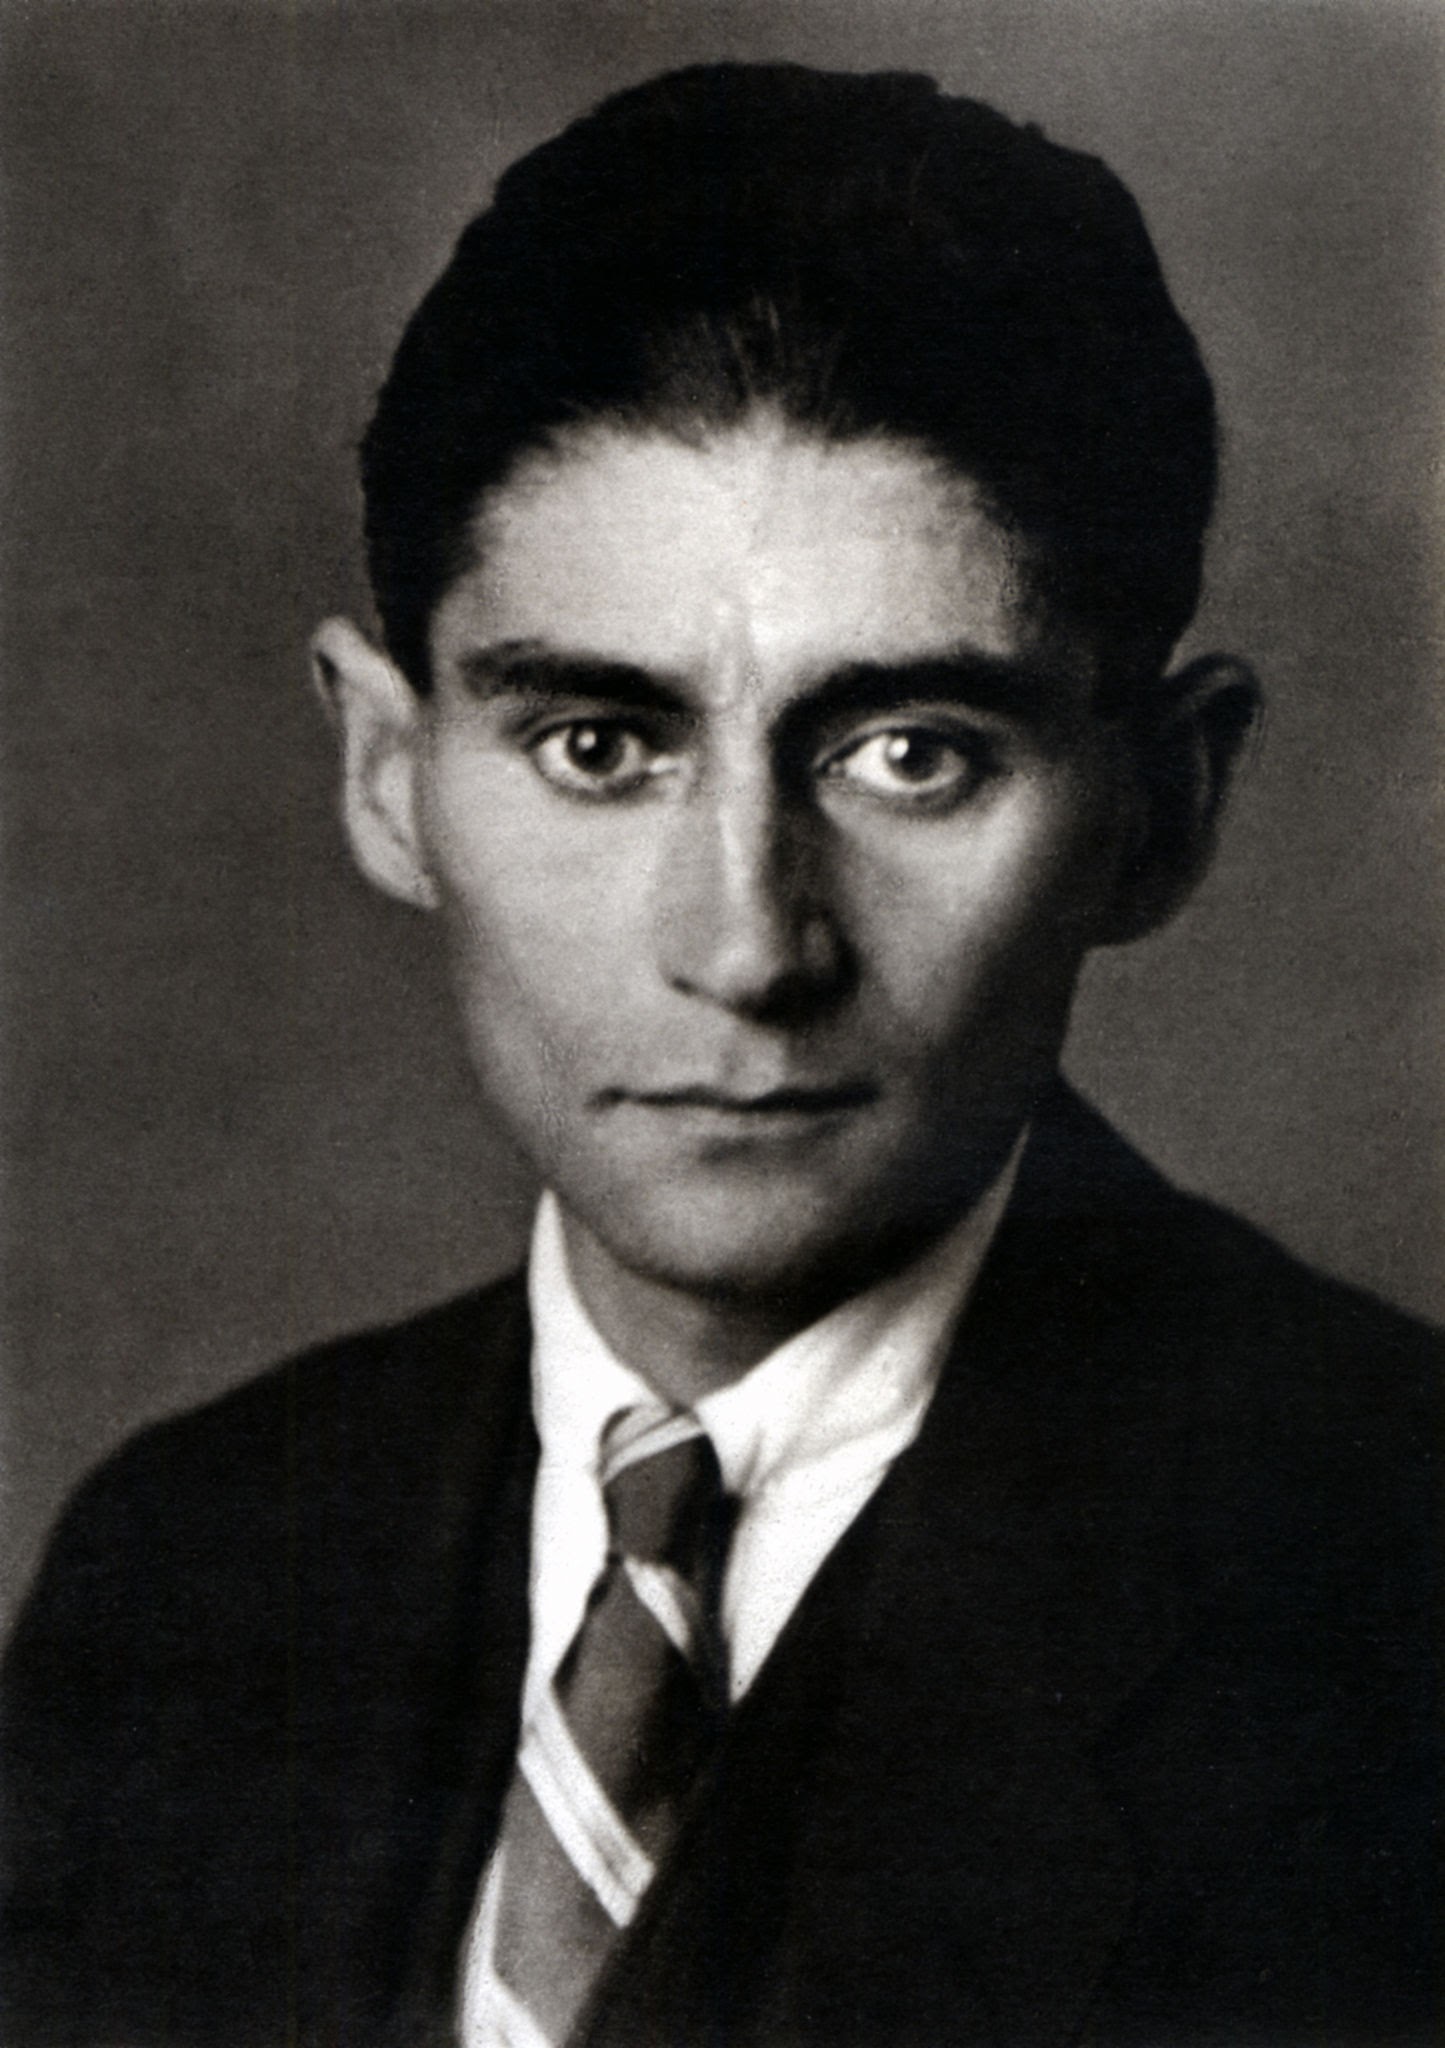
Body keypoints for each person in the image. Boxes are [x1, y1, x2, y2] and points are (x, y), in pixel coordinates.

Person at [2, 61, 1437, 2048]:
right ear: (389, 773)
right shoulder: (183, 1571)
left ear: (1160, 809)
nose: (749, 945)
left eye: (910, 754)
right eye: (599, 745)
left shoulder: (1393, 1605)